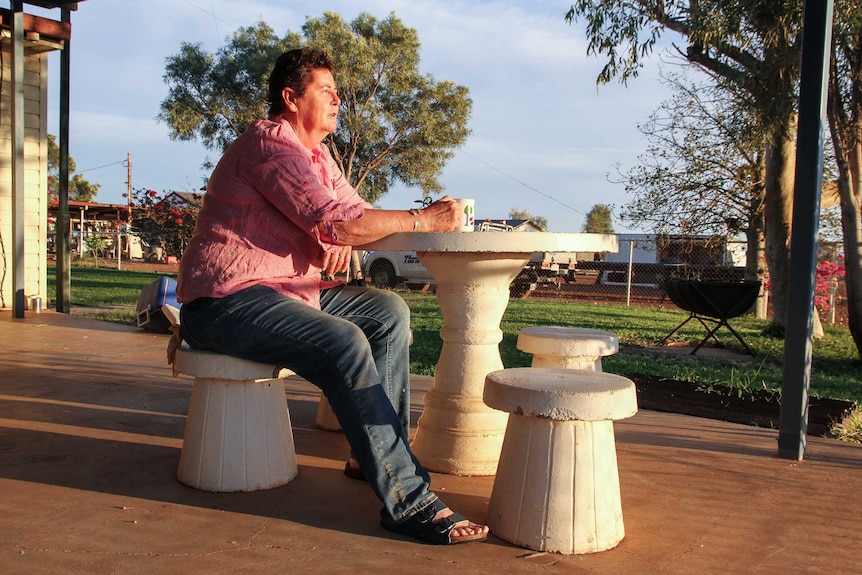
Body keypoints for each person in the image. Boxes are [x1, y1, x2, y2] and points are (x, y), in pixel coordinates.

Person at [176, 47, 488, 545]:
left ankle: (376, 459)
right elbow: (337, 223)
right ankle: (407, 499)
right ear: (290, 98)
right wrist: (421, 219)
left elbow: (353, 217)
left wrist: (349, 233)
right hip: (225, 301)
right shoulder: (270, 145)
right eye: (326, 89)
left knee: (388, 311)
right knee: (344, 343)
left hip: (291, 291)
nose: (338, 98)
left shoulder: (318, 156)